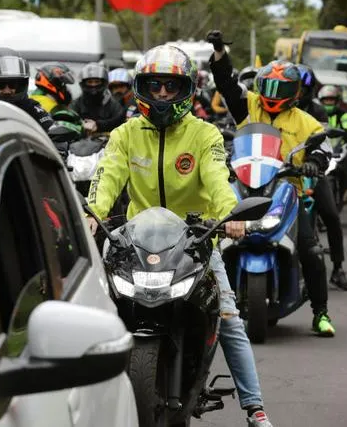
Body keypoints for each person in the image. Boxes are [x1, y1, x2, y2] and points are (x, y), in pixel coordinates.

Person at [86, 45, 273, 427]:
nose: (162, 95)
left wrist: (229, 217)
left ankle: (255, 409)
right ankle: (88, 399)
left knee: (230, 318)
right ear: (141, 88)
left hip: (195, 242)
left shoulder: (205, 136)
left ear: (186, 90)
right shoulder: (124, 135)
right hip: (133, 245)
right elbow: (106, 178)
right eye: (154, 86)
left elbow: (220, 182)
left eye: (171, 87)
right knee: (95, 311)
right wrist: (93, 213)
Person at [207, 29, 336, 336]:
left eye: (281, 88)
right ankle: (207, 306)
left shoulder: (308, 122)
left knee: (312, 252)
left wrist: (314, 163)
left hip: (286, 189)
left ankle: (320, 314)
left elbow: (322, 149)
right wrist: (219, 54)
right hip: (245, 185)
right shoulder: (249, 105)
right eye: (268, 86)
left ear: (295, 92)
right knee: (210, 241)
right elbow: (226, 84)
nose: (273, 93)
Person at [299, 68, 347, 291]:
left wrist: (314, 162)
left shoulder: (317, 110)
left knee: (331, 215)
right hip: (281, 172)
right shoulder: (275, 110)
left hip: (312, 171)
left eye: (300, 88)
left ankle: (338, 268)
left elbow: (323, 142)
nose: (294, 93)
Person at [0, 47, 54, 132]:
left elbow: (50, 129)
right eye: (0, 84)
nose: (7, 91)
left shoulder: (30, 107)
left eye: (12, 84)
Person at [30, 62, 84, 138]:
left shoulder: (33, 98)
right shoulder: (50, 106)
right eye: (63, 85)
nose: (66, 90)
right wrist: (83, 128)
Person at [70, 63, 125, 135]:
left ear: (103, 83)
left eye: (97, 82)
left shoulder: (113, 104)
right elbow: (69, 120)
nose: (93, 85)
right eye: (90, 82)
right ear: (83, 83)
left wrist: (98, 125)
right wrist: (82, 125)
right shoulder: (76, 104)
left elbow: (119, 120)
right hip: (79, 142)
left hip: (107, 143)